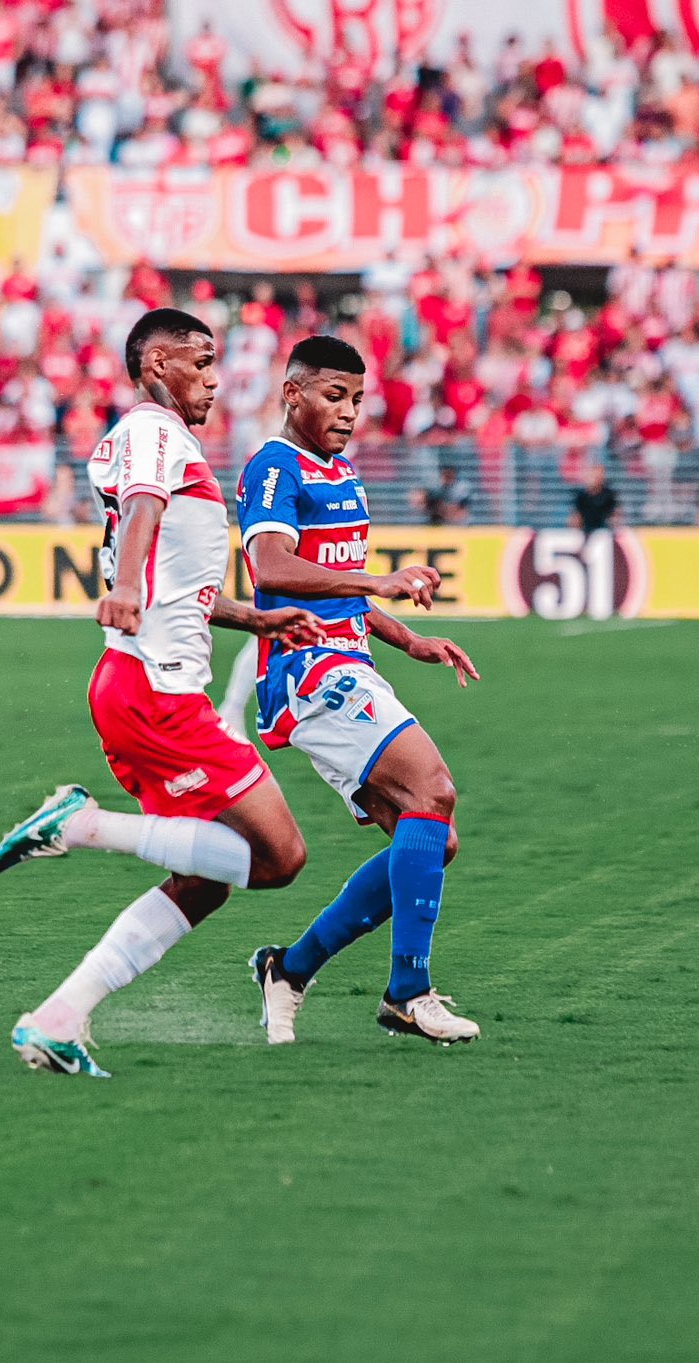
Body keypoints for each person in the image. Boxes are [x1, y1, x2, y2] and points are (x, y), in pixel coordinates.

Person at [0, 308, 324, 1079]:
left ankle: (58, 1018)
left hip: (141, 685)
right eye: (200, 362)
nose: (213, 378)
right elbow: (141, 514)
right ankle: (83, 825)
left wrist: (254, 617)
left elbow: (183, 582)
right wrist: (129, 589)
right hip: (156, 693)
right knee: (279, 857)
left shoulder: (163, 439)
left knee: (206, 882)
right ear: (156, 365)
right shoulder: (155, 432)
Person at [239, 335, 484, 1047]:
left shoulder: (342, 472)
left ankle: (288, 968)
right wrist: (377, 580)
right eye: (332, 395)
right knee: (433, 790)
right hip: (307, 670)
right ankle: (407, 992)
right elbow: (275, 567)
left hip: (348, 663)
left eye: (356, 399)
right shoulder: (275, 467)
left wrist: (408, 639)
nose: (348, 412)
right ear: (293, 394)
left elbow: (338, 586)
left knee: (433, 840)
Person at [570, 462, 618, 533]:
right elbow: (576, 517)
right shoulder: (582, 495)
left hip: (604, 531)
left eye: (599, 475)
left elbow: (615, 514)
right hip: (586, 530)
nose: (595, 478)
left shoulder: (609, 494)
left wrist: (613, 521)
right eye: (593, 475)